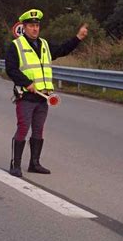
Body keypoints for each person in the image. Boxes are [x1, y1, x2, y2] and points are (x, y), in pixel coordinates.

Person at [6, 9, 88, 177]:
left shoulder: (44, 44)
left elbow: (62, 49)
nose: (35, 29)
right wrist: (26, 83)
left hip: (43, 97)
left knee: (38, 130)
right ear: (24, 27)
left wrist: (78, 38)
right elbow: (11, 69)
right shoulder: (16, 46)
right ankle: (15, 164)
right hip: (26, 97)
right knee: (23, 129)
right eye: (31, 26)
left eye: (37, 26)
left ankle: (34, 163)